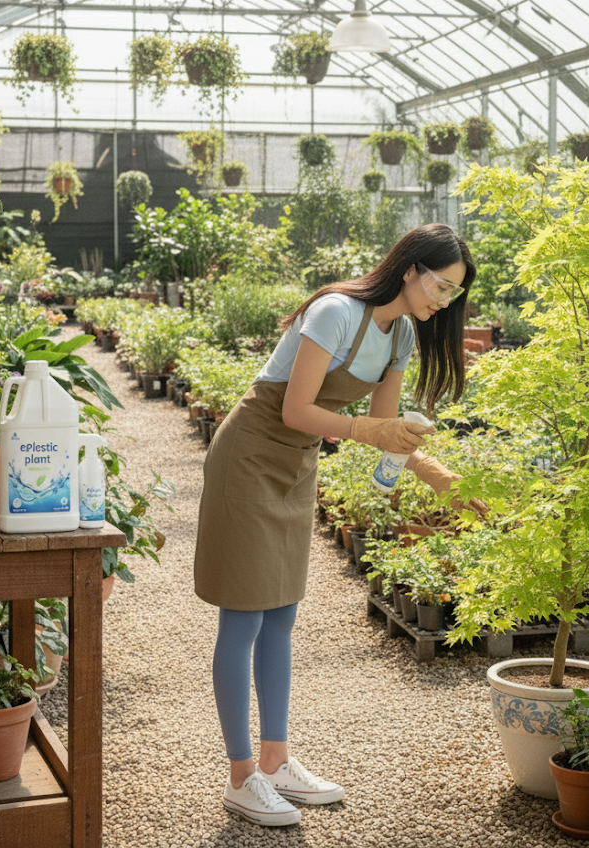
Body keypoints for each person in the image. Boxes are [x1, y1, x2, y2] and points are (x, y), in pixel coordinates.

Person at [193, 222, 485, 827]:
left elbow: (385, 431)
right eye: (440, 284)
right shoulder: (335, 312)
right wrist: (365, 430)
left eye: (454, 293)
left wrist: (440, 478)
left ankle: (275, 761)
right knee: (244, 615)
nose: (443, 300)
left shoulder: (400, 334)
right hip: (250, 454)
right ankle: (241, 775)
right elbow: (298, 409)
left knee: (281, 615)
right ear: (409, 270)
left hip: (296, 465)